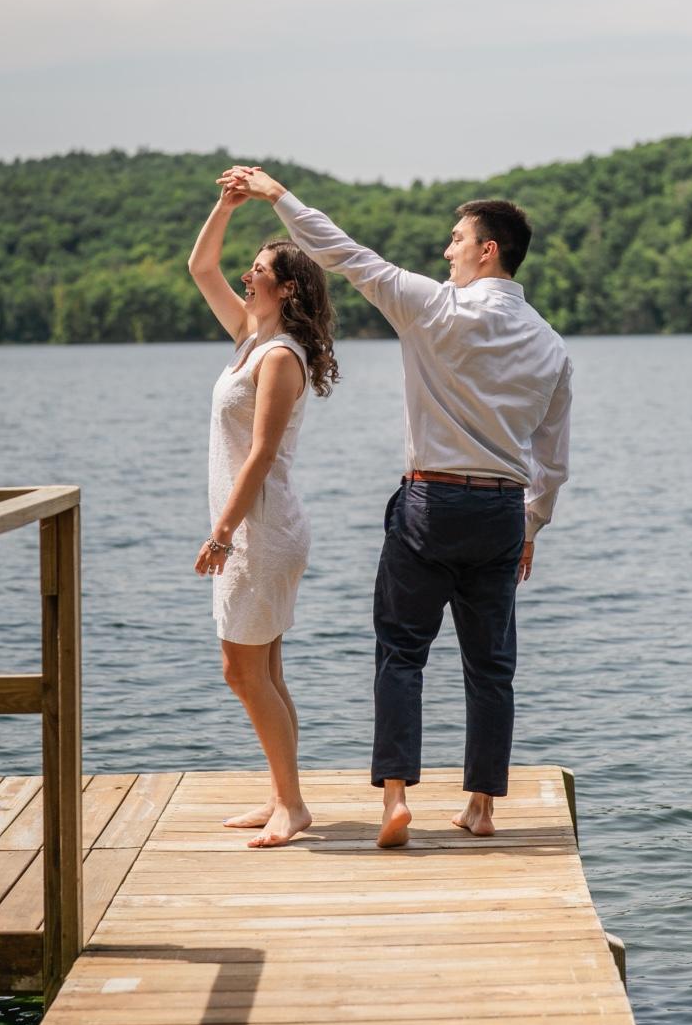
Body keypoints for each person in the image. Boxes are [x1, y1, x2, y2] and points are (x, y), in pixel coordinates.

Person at [222, 165, 572, 848]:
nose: (447, 251)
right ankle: (480, 807)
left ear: (486, 250)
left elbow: (343, 253)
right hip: (502, 511)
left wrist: (277, 196)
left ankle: (394, 802)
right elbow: (552, 461)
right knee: (491, 666)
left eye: (456, 239)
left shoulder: (434, 307)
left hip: (430, 503)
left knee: (401, 653)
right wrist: (531, 525)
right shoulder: (550, 346)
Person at [188, 180, 340, 848]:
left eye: (261, 271)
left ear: (288, 291)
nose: (247, 276)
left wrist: (221, 533)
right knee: (263, 670)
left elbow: (260, 455)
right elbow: (199, 268)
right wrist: (226, 207)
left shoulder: (279, 357)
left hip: (261, 530)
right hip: (253, 528)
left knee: (242, 670)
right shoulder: (251, 338)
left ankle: (291, 804)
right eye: (249, 268)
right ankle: (285, 797)